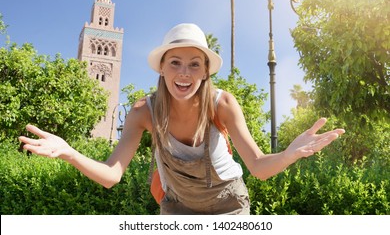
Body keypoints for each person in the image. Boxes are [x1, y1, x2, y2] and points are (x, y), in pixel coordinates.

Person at [19, 23, 345, 215]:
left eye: (194, 64)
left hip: (229, 205)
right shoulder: (143, 111)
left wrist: (289, 154)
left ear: (205, 72)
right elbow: (111, 175)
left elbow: (258, 167)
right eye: (175, 62)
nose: (184, 74)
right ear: (161, 67)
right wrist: (69, 152)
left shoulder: (223, 105)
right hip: (177, 209)